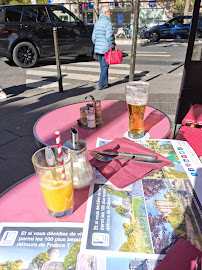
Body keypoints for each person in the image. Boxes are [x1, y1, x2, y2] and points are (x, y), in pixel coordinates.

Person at [92, 5, 115, 90]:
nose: (111, 13)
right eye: (109, 11)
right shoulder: (107, 22)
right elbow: (109, 36)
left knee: (103, 66)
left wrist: (97, 44)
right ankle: (101, 84)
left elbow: (93, 37)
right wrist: (112, 45)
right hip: (105, 48)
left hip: (98, 48)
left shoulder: (97, 22)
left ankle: (105, 83)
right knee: (105, 66)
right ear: (105, 13)